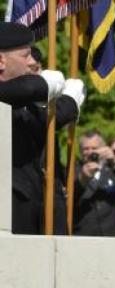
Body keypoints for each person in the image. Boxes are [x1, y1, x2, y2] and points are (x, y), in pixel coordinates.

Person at [0, 22, 85, 235]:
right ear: (1, 60)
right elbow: (28, 88)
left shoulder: (24, 103)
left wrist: (69, 102)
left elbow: (40, 120)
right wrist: (45, 86)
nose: (32, 61)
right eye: (25, 55)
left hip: (38, 216)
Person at [73, 131, 115, 236]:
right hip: (84, 234)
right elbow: (69, 197)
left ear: (103, 149)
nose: (90, 152)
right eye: (86, 149)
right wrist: (82, 178)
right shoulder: (73, 169)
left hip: (112, 234)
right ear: (80, 151)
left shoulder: (112, 170)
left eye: (94, 148)